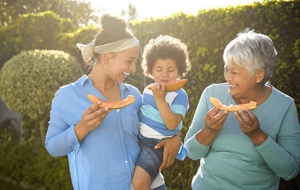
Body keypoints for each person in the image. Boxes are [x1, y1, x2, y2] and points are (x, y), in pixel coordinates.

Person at [45, 14, 182, 190]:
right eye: (129, 61)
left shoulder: (133, 95)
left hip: (149, 185)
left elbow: (155, 126)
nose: (133, 69)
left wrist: (175, 139)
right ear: (107, 57)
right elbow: (52, 147)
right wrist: (82, 128)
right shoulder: (67, 96)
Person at [184, 29, 300, 190]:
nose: (227, 77)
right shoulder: (212, 93)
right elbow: (191, 153)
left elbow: (290, 171)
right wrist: (209, 130)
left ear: (259, 75)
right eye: (226, 69)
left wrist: (257, 136)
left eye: (234, 72)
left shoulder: (284, 106)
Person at [132, 35, 191, 190]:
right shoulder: (147, 90)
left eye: (170, 70)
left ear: (180, 70)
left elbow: (172, 124)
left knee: (139, 183)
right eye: (159, 70)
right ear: (150, 70)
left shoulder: (180, 95)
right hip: (139, 141)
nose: (164, 74)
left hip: (156, 145)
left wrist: (160, 100)